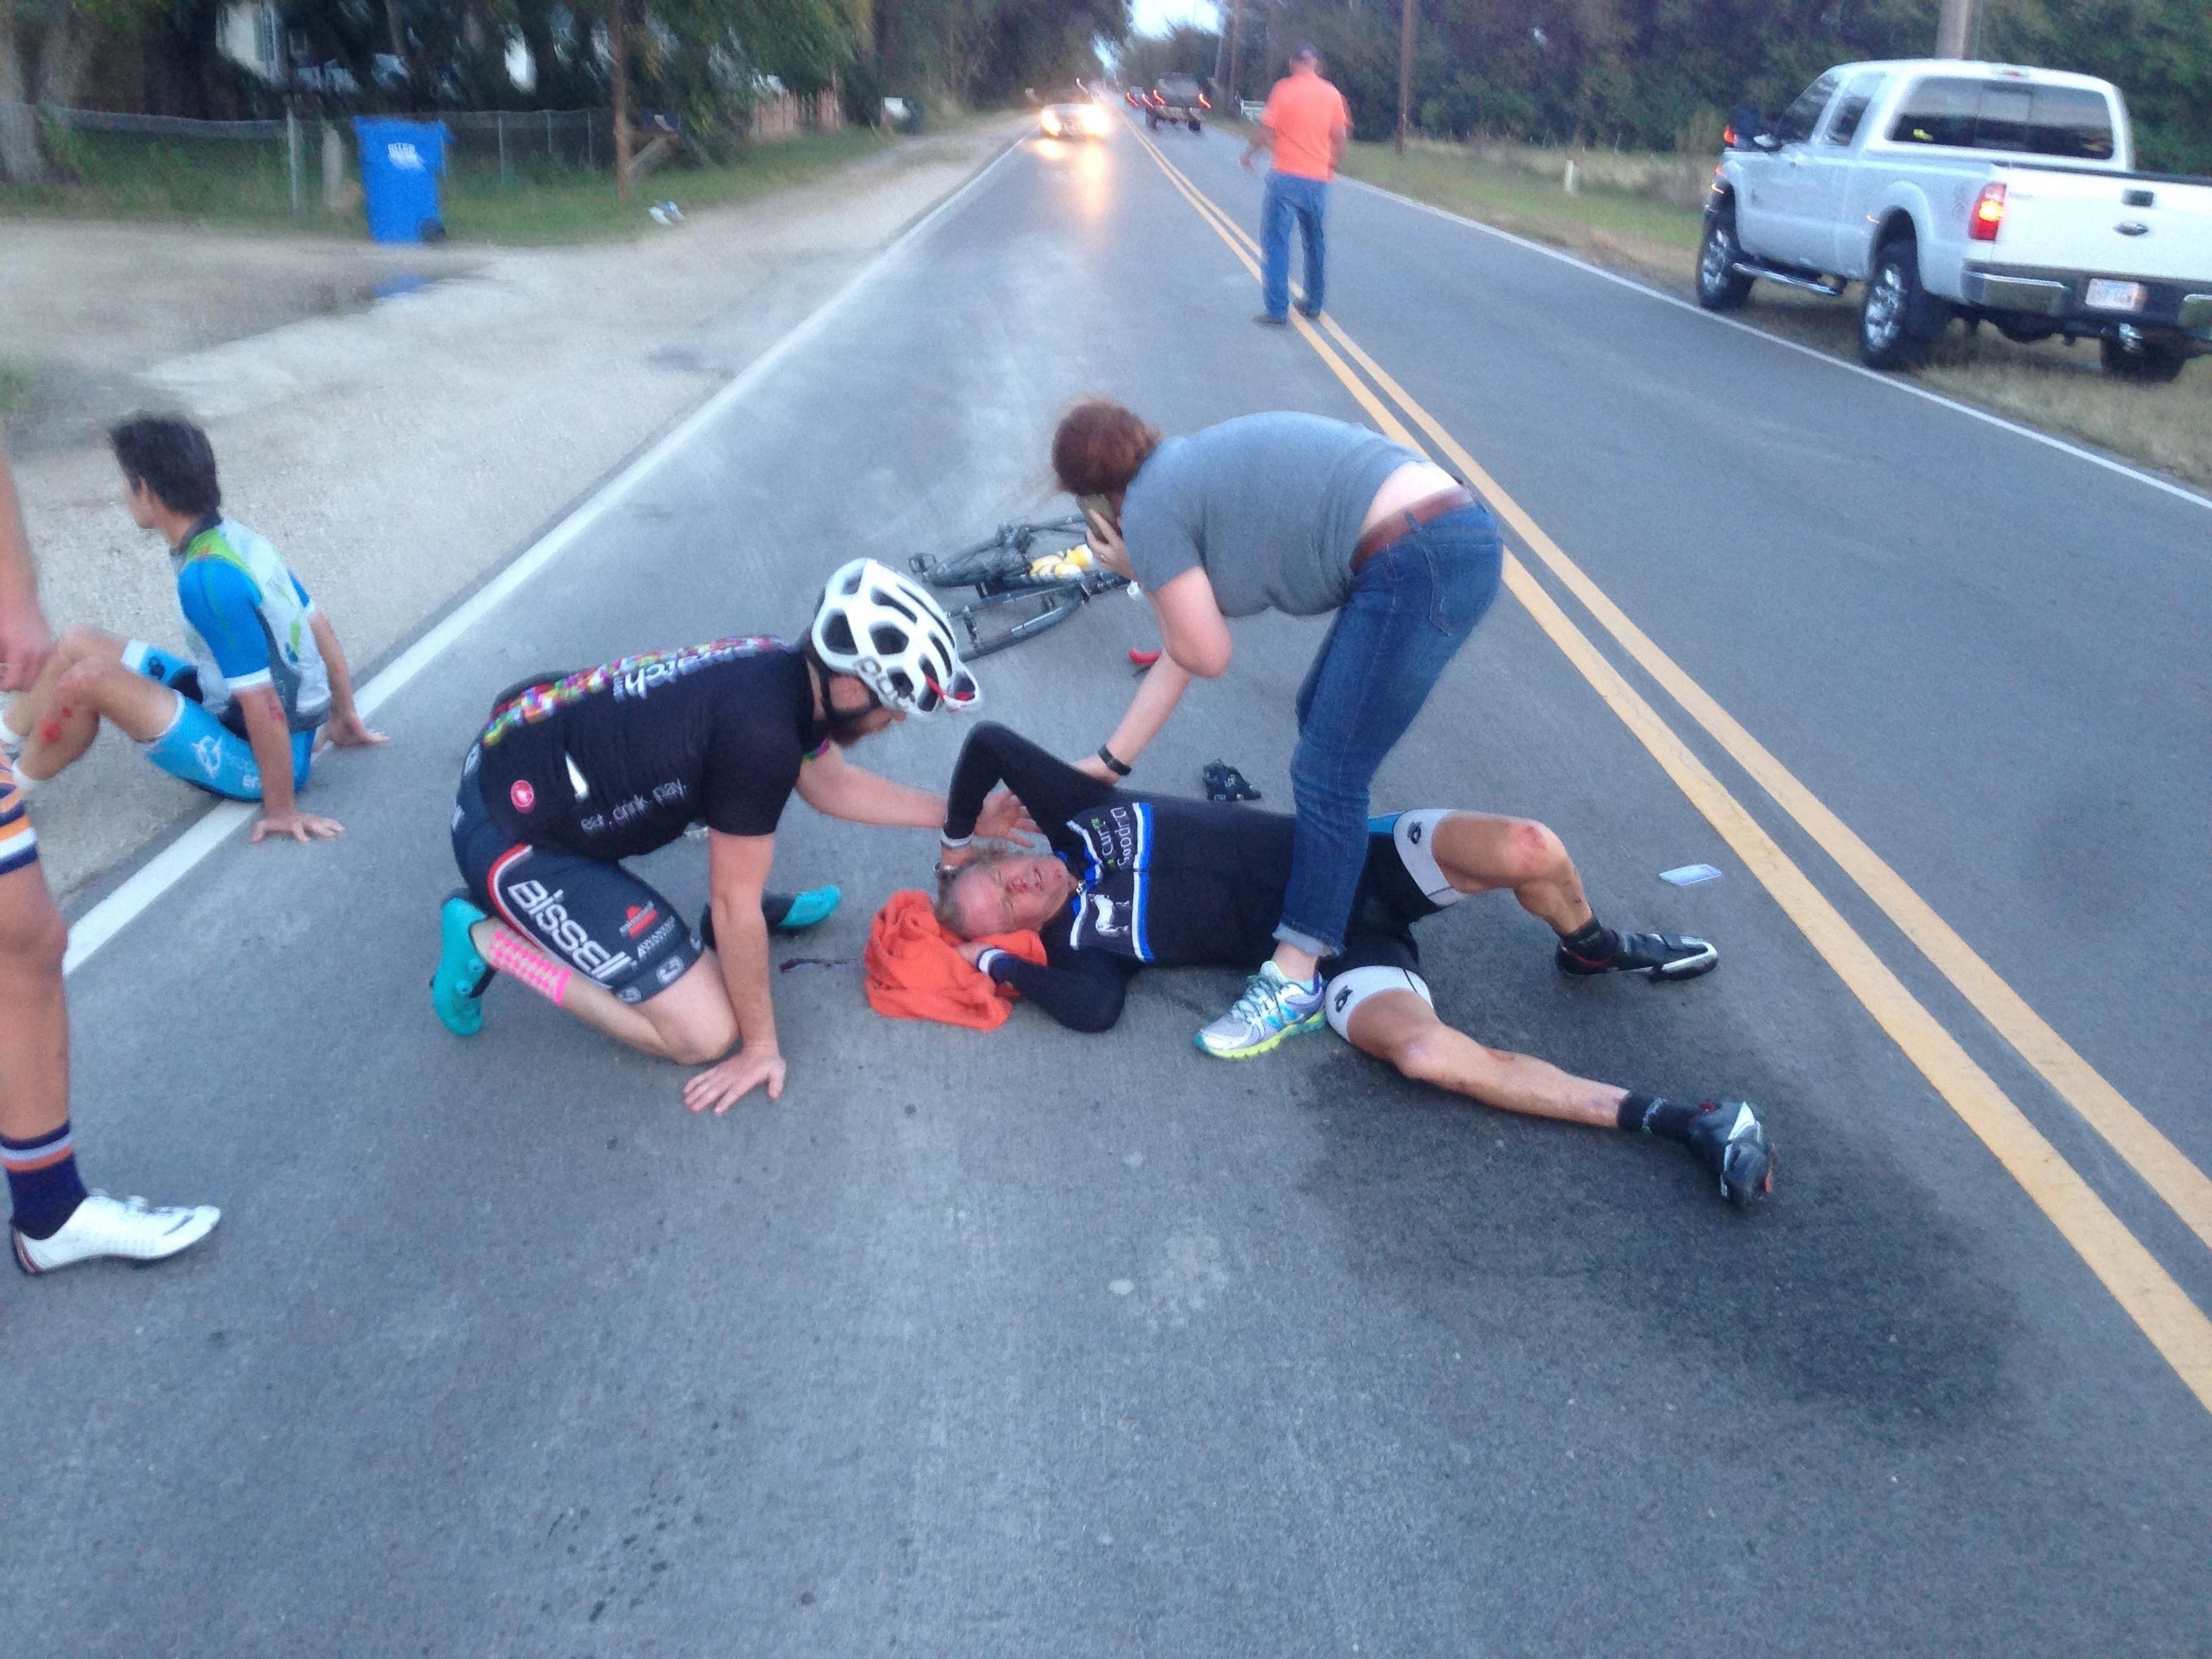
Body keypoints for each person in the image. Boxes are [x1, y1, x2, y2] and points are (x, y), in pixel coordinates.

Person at [933, 724, 1769, 1207]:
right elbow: (1091, 1012)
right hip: (1334, 955)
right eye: (1009, 908)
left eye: (1003, 877)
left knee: (1529, 846)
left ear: (1010, 852)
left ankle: (1592, 946)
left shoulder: (1077, 818)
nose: (1022, 887)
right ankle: (1684, 1120)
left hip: (1355, 862)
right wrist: (1001, 962)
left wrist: (955, 843)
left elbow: (988, 742)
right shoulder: (1089, 949)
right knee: (1427, 1057)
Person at [429, 558, 1027, 1114]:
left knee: (736, 832)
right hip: (512, 837)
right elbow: (733, 902)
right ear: (851, 689)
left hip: (530, 739)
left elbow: (832, 788)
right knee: (704, 1032)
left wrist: (963, 819)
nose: (893, 721)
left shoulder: (784, 672)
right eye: (893, 707)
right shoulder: (762, 739)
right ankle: (487, 940)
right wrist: (761, 1045)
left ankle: (704, 941)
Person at [1052, 398, 1501, 1061]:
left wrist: (1138, 568)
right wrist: (1110, 762)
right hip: (1442, 532)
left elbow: (1207, 655)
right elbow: (1185, 651)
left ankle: (1294, 981)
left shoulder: (1147, 513)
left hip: (1422, 554)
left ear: (1093, 496)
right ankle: (1345, 860)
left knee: (1328, 770)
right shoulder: (1182, 469)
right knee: (1322, 721)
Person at [0, 438, 220, 1272]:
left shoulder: (213, 568)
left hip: (233, 732)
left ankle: (51, 1214)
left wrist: (15, 587)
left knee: (27, 939)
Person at [0, 415, 386, 846]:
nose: (125, 495)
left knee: (87, 681)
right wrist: (343, 715)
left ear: (145, 491)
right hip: (250, 716)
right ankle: (5, 738)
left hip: (259, 759)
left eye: (128, 486)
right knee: (76, 642)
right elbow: (321, 628)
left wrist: (281, 809)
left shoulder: (205, 578)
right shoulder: (239, 541)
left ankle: (9, 793)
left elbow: (262, 703)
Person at [1242, 41, 1352, 326]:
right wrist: (1332, 165)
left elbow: (1266, 131)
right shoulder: (1331, 94)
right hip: (1317, 181)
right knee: (1315, 243)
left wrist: (1248, 155)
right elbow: (1339, 135)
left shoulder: (1284, 89)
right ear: (1315, 62)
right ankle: (1314, 304)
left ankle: (1278, 310)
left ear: (1293, 63)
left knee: (1277, 243)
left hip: (1286, 178)